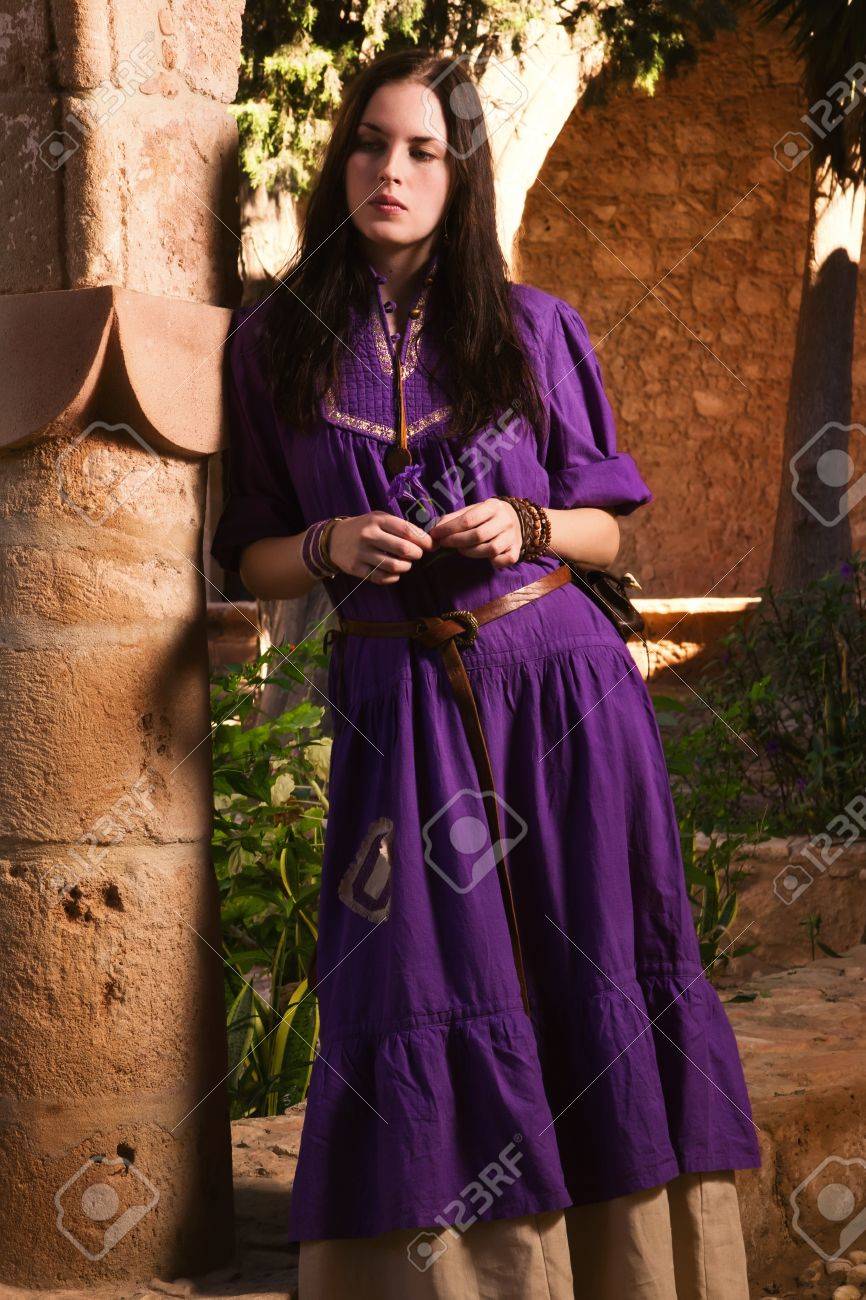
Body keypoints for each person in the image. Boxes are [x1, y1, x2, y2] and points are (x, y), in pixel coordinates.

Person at [210, 46, 761, 1300]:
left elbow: (608, 530)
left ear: (460, 176)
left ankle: (628, 1274)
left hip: (563, 695)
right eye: (369, 143)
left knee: (599, 971)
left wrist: (524, 521)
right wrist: (329, 543)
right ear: (337, 160)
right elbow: (246, 551)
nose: (390, 170)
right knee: (416, 973)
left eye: (421, 150)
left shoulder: (533, 329)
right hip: (400, 703)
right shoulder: (270, 347)